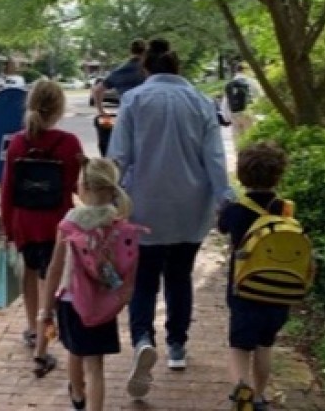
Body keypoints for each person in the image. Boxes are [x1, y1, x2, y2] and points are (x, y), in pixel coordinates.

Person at [107, 37, 236, 399]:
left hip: (143, 206)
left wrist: (107, 200)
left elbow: (119, 157)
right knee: (180, 276)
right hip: (190, 208)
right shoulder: (201, 102)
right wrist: (225, 199)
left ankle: (142, 340)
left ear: (145, 68)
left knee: (143, 280)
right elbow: (215, 158)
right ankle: (177, 346)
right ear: (177, 67)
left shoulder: (134, 100)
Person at [0, 78, 83, 375]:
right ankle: (46, 339)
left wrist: (8, 228)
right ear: (60, 108)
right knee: (53, 284)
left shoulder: (17, 142)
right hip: (56, 225)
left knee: (30, 275)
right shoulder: (69, 143)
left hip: (24, 222)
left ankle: (33, 329)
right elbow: (75, 186)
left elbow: (7, 190)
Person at [35, 157, 133, 411]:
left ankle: (78, 395)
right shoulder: (117, 222)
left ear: (84, 188)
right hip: (102, 303)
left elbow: (55, 268)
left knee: (74, 351)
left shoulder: (70, 222)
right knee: (95, 365)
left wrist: (46, 309)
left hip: (72, 300)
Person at [218, 142, 292, 411]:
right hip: (278, 291)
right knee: (264, 344)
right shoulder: (284, 208)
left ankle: (242, 390)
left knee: (239, 346)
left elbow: (222, 228)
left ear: (241, 175)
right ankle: (259, 396)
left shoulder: (236, 209)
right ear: (278, 176)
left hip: (244, 289)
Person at [92, 38, 147, 156]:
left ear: (130, 51)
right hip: (148, 116)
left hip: (126, 116)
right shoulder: (147, 70)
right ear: (145, 52)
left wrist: (101, 111)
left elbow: (97, 90)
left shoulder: (120, 71)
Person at [221, 64, 262, 143]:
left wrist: (226, 117)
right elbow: (260, 96)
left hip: (233, 114)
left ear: (236, 71)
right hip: (248, 113)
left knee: (238, 140)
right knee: (251, 138)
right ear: (245, 70)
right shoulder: (252, 81)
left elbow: (225, 102)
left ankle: (239, 151)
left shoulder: (230, 84)